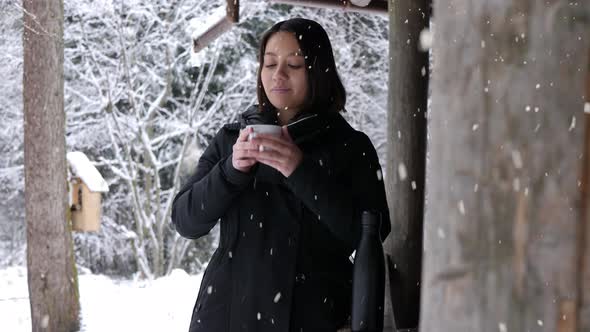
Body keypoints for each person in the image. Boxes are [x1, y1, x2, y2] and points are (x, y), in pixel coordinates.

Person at [171, 17, 390, 332]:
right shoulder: (232, 138)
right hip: (228, 314)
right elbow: (185, 220)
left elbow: (371, 234)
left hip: (314, 316)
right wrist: (231, 171)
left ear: (319, 70)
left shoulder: (351, 147)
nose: (278, 75)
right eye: (269, 63)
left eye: (295, 65)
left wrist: (299, 171)